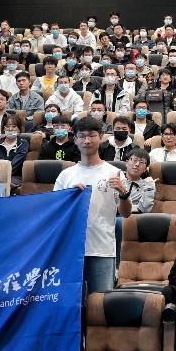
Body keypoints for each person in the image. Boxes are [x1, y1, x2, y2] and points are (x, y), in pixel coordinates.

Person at [54, 118, 132, 293]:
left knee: (100, 303)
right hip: (71, 249)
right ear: (75, 139)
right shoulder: (66, 175)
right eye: (82, 136)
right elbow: (56, 213)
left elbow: (126, 213)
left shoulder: (114, 173)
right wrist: (69, 196)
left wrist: (123, 192)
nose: (87, 141)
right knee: (72, 302)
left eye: (92, 136)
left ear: (101, 137)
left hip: (101, 248)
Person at [0, 117, 27, 189]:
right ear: (4, 128)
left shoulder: (23, 143)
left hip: (15, 176)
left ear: (19, 129)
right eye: (7, 126)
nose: (10, 129)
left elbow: (16, 164)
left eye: (14, 126)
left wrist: (2, 174)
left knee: (3, 184)